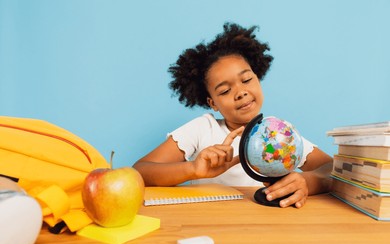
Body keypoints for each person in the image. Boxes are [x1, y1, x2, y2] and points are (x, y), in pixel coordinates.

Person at [133, 22, 333, 208]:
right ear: (213, 104)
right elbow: (139, 171)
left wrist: (307, 181)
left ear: (258, 78)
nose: (241, 92)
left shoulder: (279, 132)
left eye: (246, 79)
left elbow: (334, 168)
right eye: (224, 91)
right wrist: (193, 169)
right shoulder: (203, 129)